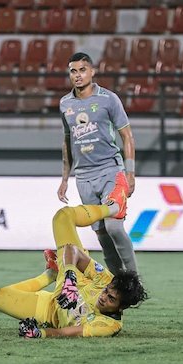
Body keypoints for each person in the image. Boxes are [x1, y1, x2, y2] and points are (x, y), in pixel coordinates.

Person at [0, 180, 148, 338]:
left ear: (122, 307)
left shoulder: (108, 326)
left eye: (111, 299)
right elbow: (74, 252)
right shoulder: (107, 279)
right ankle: (113, 208)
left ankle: (50, 275)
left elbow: (67, 332)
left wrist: (40, 333)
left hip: (51, 310)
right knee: (63, 216)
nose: (104, 296)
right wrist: (70, 279)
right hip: (70, 276)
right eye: (106, 292)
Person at [57, 52, 138, 274]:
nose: (78, 75)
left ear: (92, 71)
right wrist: (65, 179)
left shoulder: (108, 99)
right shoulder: (65, 104)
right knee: (102, 235)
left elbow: (127, 136)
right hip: (83, 178)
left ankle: (133, 279)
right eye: (73, 71)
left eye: (82, 70)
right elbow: (67, 141)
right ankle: (118, 284)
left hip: (110, 171)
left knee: (114, 226)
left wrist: (130, 173)